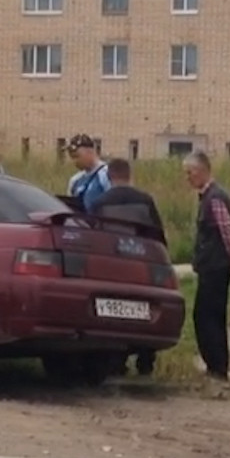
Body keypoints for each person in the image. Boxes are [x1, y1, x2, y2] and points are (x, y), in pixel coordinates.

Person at [92, 158, 167, 376]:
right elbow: (157, 235)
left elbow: (96, 237)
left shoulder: (100, 203)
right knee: (145, 311)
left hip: (113, 267)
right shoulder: (145, 201)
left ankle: (115, 362)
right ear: (129, 175)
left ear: (109, 176)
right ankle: (146, 361)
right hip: (141, 266)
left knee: (112, 312)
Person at [184, 150, 230, 381]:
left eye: (190, 172)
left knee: (208, 316)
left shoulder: (215, 198)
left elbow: (227, 233)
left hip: (215, 267)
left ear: (202, 171)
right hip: (211, 266)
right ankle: (215, 365)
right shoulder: (209, 196)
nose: (187, 178)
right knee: (207, 315)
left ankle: (217, 367)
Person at [67, 134, 112, 213]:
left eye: (77, 156)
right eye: (72, 157)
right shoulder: (75, 180)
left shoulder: (106, 174)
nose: (74, 161)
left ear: (90, 152)